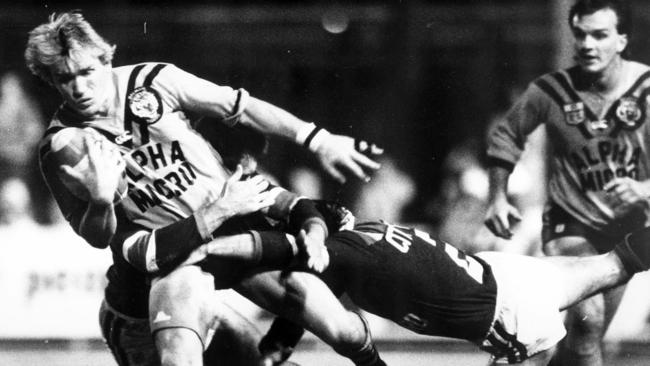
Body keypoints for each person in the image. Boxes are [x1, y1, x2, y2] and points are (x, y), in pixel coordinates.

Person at [28, 11, 382, 366]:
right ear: (50, 80)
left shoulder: (154, 81)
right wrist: (102, 202)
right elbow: (99, 237)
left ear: (107, 59)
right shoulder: (60, 145)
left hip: (226, 242)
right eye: (65, 78)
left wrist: (319, 140)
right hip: (163, 275)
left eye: (87, 72)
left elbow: (240, 107)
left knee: (341, 328)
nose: (79, 88)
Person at [182, 205, 650, 366]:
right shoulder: (360, 233)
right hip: (509, 275)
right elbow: (305, 295)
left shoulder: (344, 254)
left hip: (508, 313)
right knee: (619, 262)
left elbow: (271, 251)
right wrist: (278, 343)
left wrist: (203, 245)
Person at [483, 1, 650, 365]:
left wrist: (645, 189)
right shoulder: (550, 91)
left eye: (600, 35)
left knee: (584, 337)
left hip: (626, 229)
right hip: (568, 225)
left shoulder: (646, 88)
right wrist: (496, 196)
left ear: (622, 40)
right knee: (589, 324)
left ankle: (518, 358)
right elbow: (507, 136)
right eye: (581, 35)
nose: (587, 44)